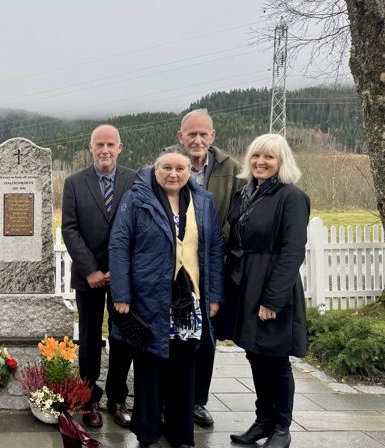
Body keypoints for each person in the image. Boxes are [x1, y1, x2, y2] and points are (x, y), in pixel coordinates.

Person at [109, 147, 224, 448]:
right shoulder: (136, 199)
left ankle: (180, 433)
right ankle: (147, 432)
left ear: (189, 172)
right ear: (155, 169)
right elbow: (119, 246)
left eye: (180, 169)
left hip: (192, 298)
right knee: (150, 365)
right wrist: (121, 294)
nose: (173, 174)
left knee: (185, 366)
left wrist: (214, 296)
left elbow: (213, 249)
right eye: (167, 168)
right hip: (150, 296)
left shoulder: (203, 201)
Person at [225, 134, 309, 448]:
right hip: (247, 284)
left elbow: (292, 251)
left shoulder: (292, 197)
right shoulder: (245, 194)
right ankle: (263, 421)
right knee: (255, 355)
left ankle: (282, 427)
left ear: (281, 162)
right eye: (257, 156)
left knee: (275, 359)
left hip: (274, 287)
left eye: (269, 158)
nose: (261, 162)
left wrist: (273, 298)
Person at [167, 108, 242, 427]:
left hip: (212, 264)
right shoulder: (168, 167)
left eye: (203, 134)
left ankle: (198, 401)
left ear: (213, 137)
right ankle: (171, 400)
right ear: (180, 137)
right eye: (191, 134)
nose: (197, 140)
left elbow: (239, 216)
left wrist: (214, 236)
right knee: (172, 334)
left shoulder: (232, 169)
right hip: (173, 268)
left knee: (205, 338)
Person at [61, 124, 135, 428]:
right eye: (99, 145)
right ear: (90, 148)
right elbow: (69, 228)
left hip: (124, 277)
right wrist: (90, 269)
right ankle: (88, 398)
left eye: (110, 144)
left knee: (122, 338)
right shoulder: (75, 183)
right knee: (89, 339)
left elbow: (139, 226)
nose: (105, 150)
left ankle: (117, 398)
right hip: (87, 276)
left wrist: (119, 270)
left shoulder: (136, 180)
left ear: (120, 147)